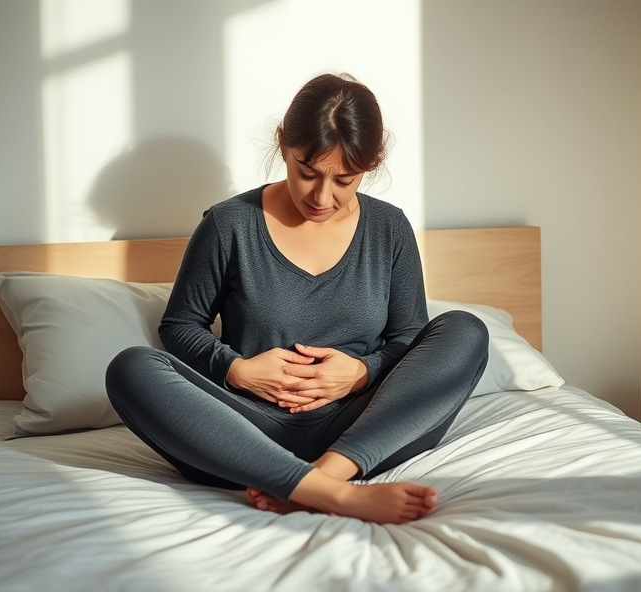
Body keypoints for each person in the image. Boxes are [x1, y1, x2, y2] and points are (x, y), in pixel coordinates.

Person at [105, 73, 489, 524]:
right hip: (245, 432)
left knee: (465, 329)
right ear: (283, 144)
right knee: (130, 367)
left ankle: (321, 479)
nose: (322, 196)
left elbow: (409, 337)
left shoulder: (389, 229)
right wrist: (238, 371)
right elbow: (180, 325)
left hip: (362, 429)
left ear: (370, 165)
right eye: (307, 172)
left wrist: (364, 373)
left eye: (344, 180)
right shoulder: (229, 224)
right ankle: (337, 495)